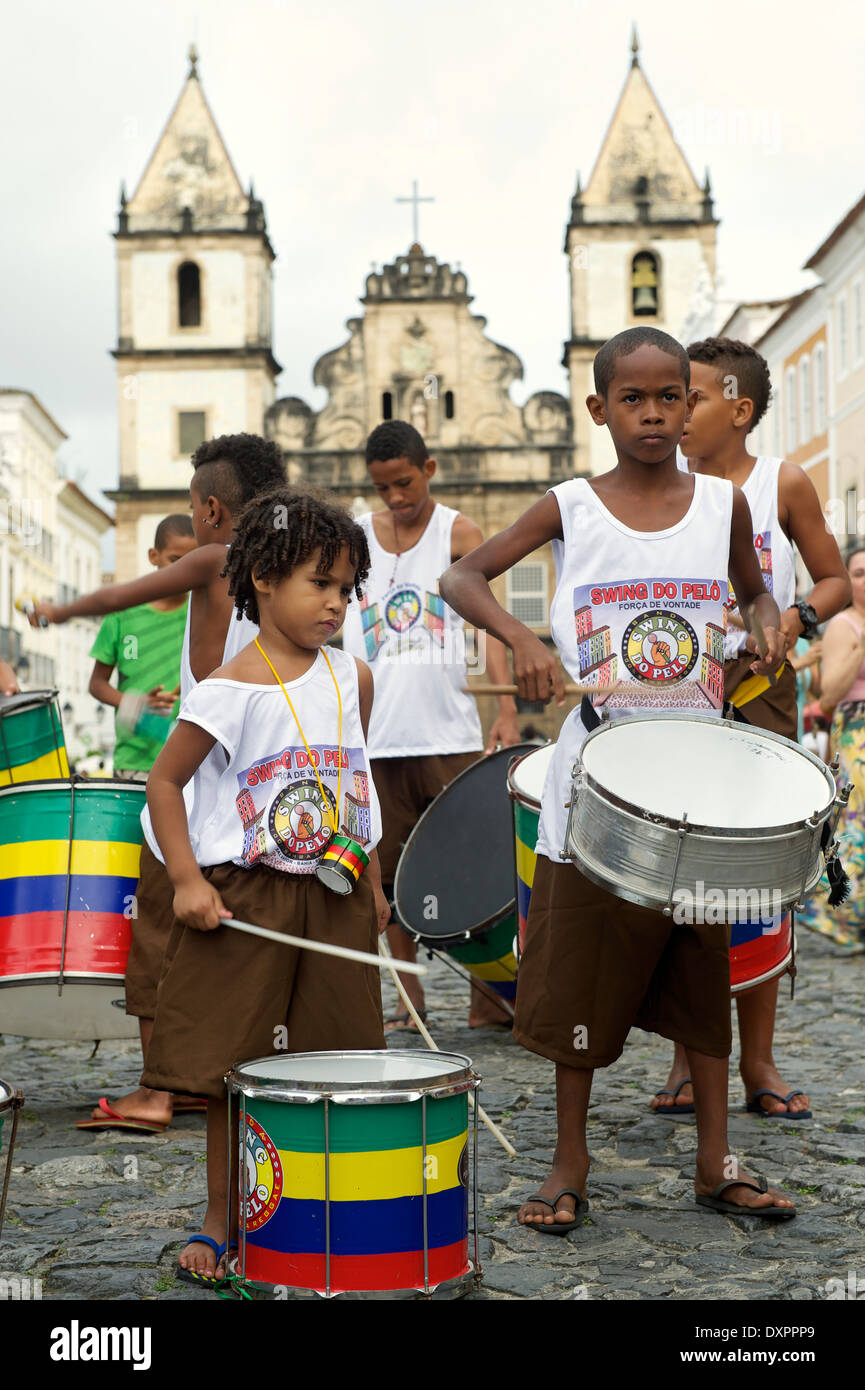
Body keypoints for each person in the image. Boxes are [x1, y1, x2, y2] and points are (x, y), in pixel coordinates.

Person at [441, 326, 796, 1228]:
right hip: (596, 770)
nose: (651, 413)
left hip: (697, 774)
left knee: (698, 967)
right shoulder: (570, 506)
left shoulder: (723, 506)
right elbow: (462, 577)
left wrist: (764, 618)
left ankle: (715, 1160)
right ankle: (569, 1160)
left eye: (667, 397)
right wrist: (519, 638)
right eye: (630, 399)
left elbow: (750, 588)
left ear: (690, 402)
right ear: (598, 409)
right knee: (579, 972)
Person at [143, 487, 390, 1284]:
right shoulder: (225, 690)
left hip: (335, 895)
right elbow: (165, 785)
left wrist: (375, 889)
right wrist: (185, 879)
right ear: (261, 580)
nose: (336, 603)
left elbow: (356, 785)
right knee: (230, 1068)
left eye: (347, 587)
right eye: (319, 582)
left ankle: (322, 1213)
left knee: (336, 1058)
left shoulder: (354, 676)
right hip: (243, 903)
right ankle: (222, 1217)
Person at [28, 433, 287, 1130]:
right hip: (260, 797)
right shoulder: (292, 573)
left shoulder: (213, 559)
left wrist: (56, 611)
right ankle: (216, 1075)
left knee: (157, 942)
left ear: (209, 509)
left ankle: (156, 1090)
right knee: (232, 946)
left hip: (190, 791)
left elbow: (125, 593)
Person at [650, 338, 849, 1121]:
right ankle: (680, 1057)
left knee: (758, 881)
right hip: (674, 699)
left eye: (686, 397)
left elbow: (832, 579)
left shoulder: (781, 483)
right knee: (678, 882)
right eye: (662, 396)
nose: (671, 412)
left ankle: (757, 1059)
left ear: (736, 409)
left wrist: (792, 618)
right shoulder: (658, 491)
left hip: (762, 695)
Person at [341, 420, 522, 1030]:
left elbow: (487, 619)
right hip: (374, 737)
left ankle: (489, 998)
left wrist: (505, 708)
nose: (395, 497)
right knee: (387, 874)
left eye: (404, 483)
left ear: (429, 469)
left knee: (470, 866)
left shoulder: (457, 531)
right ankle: (408, 999)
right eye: (382, 487)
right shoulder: (357, 537)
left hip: (448, 733)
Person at [88, 514, 197, 781]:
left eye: (192, 562)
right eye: (175, 561)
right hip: (134, 761)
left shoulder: (203, 611)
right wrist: (134, 704)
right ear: (153, 556)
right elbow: (96, 684)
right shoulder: (122, 613)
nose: (183, 571)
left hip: (191, 763)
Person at [798, 546, 865, 951]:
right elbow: (828, 697)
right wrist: (859, 650)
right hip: (858, 730)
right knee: (856, 827)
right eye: (857, 573)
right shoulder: (844, 626)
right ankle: (832, 911)